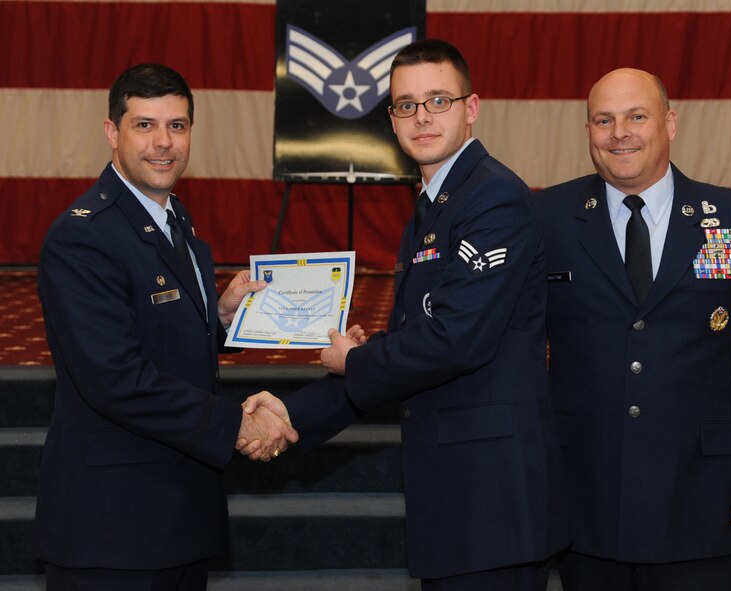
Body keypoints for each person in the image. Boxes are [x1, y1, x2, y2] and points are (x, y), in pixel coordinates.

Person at [240, 39, 569, 590]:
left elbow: (457, 340)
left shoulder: (493, 198)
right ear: (390, 120)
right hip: (459, 495)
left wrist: (362, 359)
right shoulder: (434, 205)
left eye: (438, 100)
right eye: (405, 105)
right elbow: (414, 346)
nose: (422, 117)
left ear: (471, 108)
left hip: (492, 499)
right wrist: (294, 414)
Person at [534, 68, 731, 590]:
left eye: (637, 116)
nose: (619, 133)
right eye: (603, 120)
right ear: (588, 131)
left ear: (670, 123)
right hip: (585, 495)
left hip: (703, 500)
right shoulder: (547, 217)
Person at [36, 63, 297, 590]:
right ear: (112, 132)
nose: (163, 143)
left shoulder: (177, 222)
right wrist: (238, 427)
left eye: (177, 126)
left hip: (176, 513)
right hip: (112, 527)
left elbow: (159, 332)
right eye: (144, 125)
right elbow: (116, 379)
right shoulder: (84, 238)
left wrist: (220, 317)